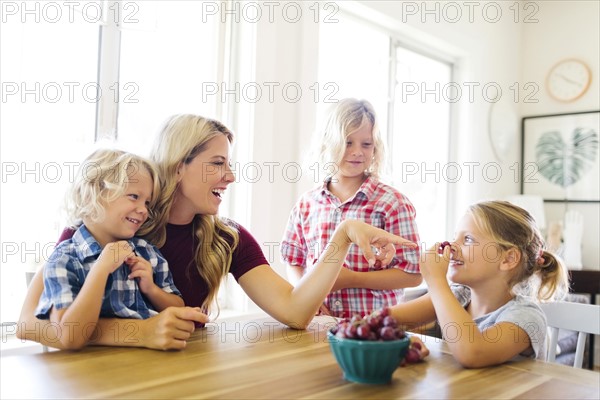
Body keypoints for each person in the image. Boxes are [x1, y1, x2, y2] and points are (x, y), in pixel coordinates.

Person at [17, 114, 417, 350]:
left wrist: (343, 235)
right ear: (179, 166)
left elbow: (296, 313)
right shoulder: (110, 224)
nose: (230, 175)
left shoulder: (228, 237)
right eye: (217, 163)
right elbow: (30, 324)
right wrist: (137, 332)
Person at [281, 98, 422, 318]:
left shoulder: (392, 203)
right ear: (327, 143)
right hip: (318, 324)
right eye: (348, 142)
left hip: (373, 331)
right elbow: (294, 261)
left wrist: (351, 279)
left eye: (366, 144)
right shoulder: (306, 204)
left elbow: (413, 274)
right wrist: (306, 298)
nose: (358, 152)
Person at [387, 200, 569, 368]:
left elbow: (472, 353)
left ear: (508, 259)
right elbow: (382, 321)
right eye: (454, 237)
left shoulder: (526, 317)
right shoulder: (459, 295)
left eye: (468, 239)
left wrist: (436, 281)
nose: (450, 246)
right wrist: (400, 338)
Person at [34, 149, 184, 349]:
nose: (144, 210)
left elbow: (179, 309)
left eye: (147, 202)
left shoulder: (147, 253)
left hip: (146, 366)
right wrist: (101, 269)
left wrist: (151, 289)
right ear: (92, 194)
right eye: (133, 196)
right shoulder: (63, 259)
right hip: (90, 372)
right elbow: (69, 336)